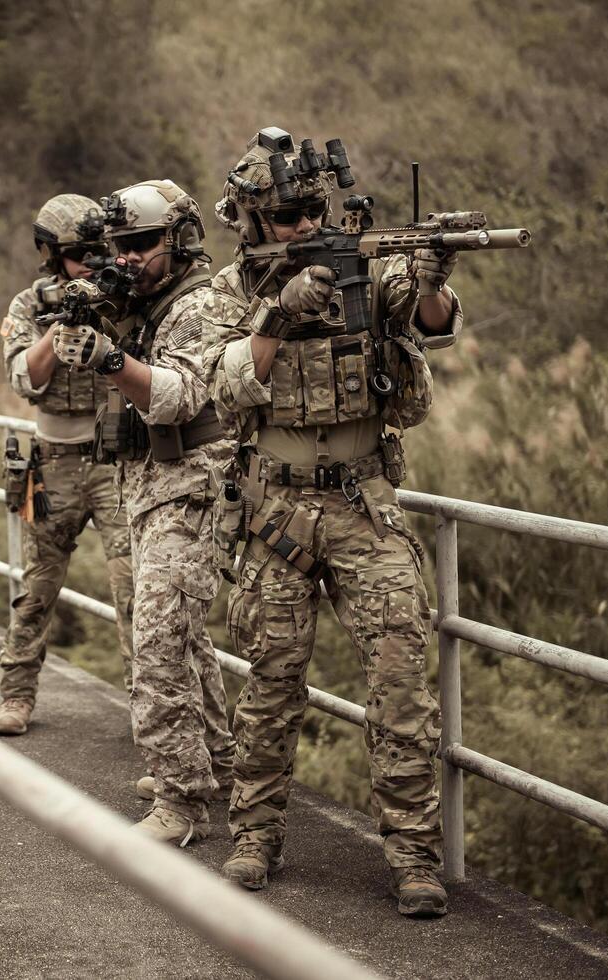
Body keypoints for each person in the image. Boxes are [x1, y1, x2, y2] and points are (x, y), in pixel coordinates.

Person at [201, 127, 462, 916]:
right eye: (282, 217)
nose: (301, 226)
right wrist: (276, 316)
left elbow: (431, 319)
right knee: (272, 682)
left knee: (399, 679)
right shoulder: (228, 292)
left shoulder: (366, 269)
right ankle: (254, 835)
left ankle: (413, 854)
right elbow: (228, 387)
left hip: (363, 506)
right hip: (275, 506)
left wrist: (430, 275)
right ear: (249, 222)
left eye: (311, 210)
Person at [52, 180, 234, 846]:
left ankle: (181, 801)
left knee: (156, 635)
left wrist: (108, 360)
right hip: (147, 479)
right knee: (178, 632)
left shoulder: (201, 304)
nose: (126, 258)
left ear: (180, 240)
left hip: (191, 479)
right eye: (117, 246)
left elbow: (178, 396)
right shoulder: (143, 299)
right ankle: (212, 757)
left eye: (140, 244)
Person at [0, 194, 136, 737]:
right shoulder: (29, 305)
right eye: (79, 255)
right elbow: (25, 380)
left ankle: (146, 707)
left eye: (99, 252)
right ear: (53, 254)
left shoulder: (122, 298)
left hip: (115, 461)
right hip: (52, 464)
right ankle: (16, 694)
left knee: (134, 591)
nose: (91, 265)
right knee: (38, 589)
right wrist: (63, 324)